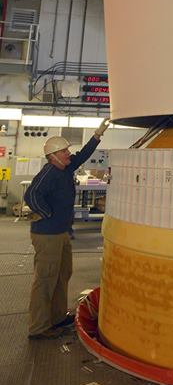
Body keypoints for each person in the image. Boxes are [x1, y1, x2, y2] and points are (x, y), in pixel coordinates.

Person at [24, 119, 110, 339]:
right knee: (46, 279)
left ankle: (57, 316)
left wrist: (97, 135)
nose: (68, 154)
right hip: (47, 235)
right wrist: (47, 213)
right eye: (63, 151)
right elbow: (31, 195)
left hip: (60, 233)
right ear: (53, 156)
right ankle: (39, 327)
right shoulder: (49, 173)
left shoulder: (65, 168)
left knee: (62, 274)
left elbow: (82, 155)